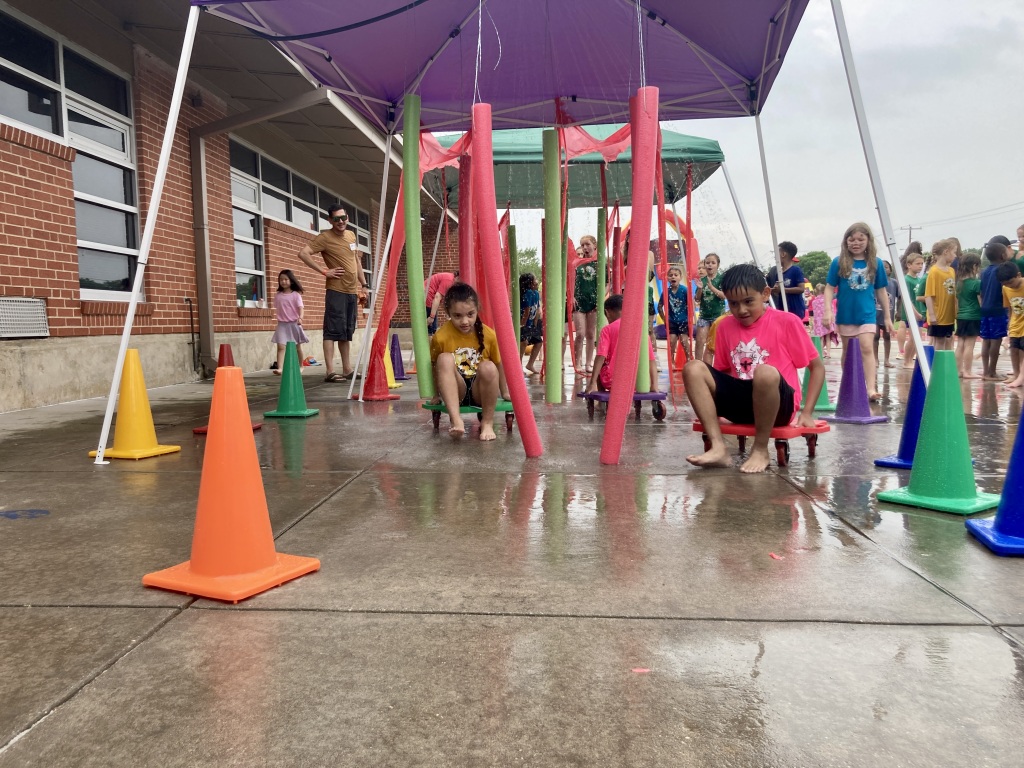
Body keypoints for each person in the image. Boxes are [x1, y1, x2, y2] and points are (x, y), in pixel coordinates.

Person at [683, 264, 823, 474]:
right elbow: (723, 373)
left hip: (778, 406)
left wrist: (807, 412)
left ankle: (760, 449)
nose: (741, 310)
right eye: (733, 303)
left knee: (764, 372)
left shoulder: (787, 322)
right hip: (742, 404)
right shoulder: (724, 326)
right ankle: (718, 447)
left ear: (765, 294)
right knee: (693, 367)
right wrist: (709, 407)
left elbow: (817, 367)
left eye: (749, 301)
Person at [429, 283, 510, 440]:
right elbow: (435, 367)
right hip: (456, 390)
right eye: (457, 316)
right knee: (444, 358)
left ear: (477, 309)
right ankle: (456, 419)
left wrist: (505, 391)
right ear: (448, 313)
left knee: (488, 366)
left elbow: (499, 365)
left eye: (470, 314)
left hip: (480, 392)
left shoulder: (489, 335)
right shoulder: (441, 337)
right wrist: (435, 394)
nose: (465, 321)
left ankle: (487, 423)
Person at [297, 204, 367, 382]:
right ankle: (329, 371)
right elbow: (303, 253)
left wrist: (364, 285)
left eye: (343, 218)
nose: (341, 222)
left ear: (348, 218)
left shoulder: (351, 235)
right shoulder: (325, 238)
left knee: (346, 332)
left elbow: (356, 261)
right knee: (331, 331)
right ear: (330, 220)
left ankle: (347, 369)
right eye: (336, 219)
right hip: (336, 291)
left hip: (351, 291)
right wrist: (324, 271)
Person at [824, 222, 892, 402]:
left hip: (867, 314)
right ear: (846, 241)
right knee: (848, 351)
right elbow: (830, 287)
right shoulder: (838, 262)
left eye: (861, 239)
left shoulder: (875, 263)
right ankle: (849, 385)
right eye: (851, 239)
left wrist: (887, 316)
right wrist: (827, 311)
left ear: (868, 240)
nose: (856, 242)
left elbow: (881, 291)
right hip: (846, 315)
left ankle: (870, 388)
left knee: (867, 347)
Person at [586, 294, 658, 395]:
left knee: (601, 363)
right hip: (637, 382)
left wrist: (592, 382)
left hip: (612, 382)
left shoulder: (607, 330)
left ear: (607, 312)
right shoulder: (640, 329)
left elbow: (601, 355)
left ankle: (601, 401)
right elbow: (651, 360)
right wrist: (654, 385)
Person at [980, 237, 1011, 380]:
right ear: (1002, 255)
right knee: (996, 340)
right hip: (998, 309)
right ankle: (992, 372)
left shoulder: (984, 271)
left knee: (986, 340)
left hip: (985, 309)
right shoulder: (1002, 270)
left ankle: (985, 370)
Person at [269, 269, 309, 375]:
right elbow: (279, 308)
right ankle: (280, 368)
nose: (283, 281)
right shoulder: (278, 295)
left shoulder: (296, 295)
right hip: (282, 324)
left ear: (291, 281)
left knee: (297, 347)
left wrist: (300, 318)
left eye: (286, 279)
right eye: (281, 279)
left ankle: (301, 365)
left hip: (294, 323)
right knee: (281, 347)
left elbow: (301, 308)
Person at [923, 238, 958, 352]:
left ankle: (946, 366)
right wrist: (932, 315)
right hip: (939, 315)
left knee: (948, 340)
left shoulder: (951, 271)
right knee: (939, 341)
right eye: (954, 252)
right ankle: (937, 367)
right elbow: (929, 295)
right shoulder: (934, 272)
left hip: (949, 315)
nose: (955, 255)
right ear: (946, 252)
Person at [572, 235, 599, 374]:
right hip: (579, 302)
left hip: (593, 302)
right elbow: (569, 280)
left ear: (595, 245)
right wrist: (570, 296)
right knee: (580, 333)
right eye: (582, 245)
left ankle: (589, 363)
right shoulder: (577, 263)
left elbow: (607, 283)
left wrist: (601, 298)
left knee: (590, 334)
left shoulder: (600, 262)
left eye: (587, 244)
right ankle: (577, 362)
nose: (584, 248)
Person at [954, 254, 982, 378]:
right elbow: (981, 302)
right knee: (970, 345)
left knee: (960, 344)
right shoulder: (976, 283)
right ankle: (967, 371)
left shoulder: (959, 283)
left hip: (961, 316)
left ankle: (958, 370)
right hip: (973, 316)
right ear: (975, 266)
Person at [695, 253, 726, 362]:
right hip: (704, 316)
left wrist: (711, 287)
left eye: (713, 263)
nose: (710, 265)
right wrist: (699, 289)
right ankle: (698, 364)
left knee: (714, 344)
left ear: (718, 265)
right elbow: (697, 299)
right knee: (699, 341)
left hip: (718, 316)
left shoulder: (721, 279)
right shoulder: (702, 280)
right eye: (707, 263)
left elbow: (724, 296)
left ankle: (717, 366)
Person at [765, 241, 806, 320]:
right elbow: (777, 291)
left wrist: (783, 290)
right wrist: (771, 290)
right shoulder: (779, 274)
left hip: (795, 310)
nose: (775, 257)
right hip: (782, 310)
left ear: (783, 254)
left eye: (777, 253)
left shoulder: (796, 270)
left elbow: (801, 289)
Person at [900, 248, 926, 369]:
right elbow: (907, 299)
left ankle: (910, 359)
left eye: (922, 264)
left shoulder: (919, 280)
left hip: (919, 312)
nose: (920, 266)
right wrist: (915, 313)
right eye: (917, 264)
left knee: (917, 337)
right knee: (914, 337)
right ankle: (907, 360)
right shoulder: (906, 280)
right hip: (911, 313)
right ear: (909, 265)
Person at [1000, 262, 1024, 388]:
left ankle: (1021, 378)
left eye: (1011, 282)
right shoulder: (1006, 288)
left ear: (1019, 275)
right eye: (1005, 284)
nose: (1009, 286)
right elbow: (1009, 307)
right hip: (1015, 322)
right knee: (1014, 349)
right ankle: (1016, 374)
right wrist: (1009, 324)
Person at [661, 265, 689, 363]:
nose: (673, 277)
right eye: (670, 275)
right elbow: (660, 306)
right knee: (672, 341)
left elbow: (690, 305)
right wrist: (664, 318)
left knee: (684, 340)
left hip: (683, 320)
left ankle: (689, 359)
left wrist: (690, 318)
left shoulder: (684, 290)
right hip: (672, 320)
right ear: (667, 278)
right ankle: (671, 361)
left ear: (680, 277)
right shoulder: (666, 292)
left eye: (676, 275)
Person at [874, 261, 898, 368]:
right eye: (882, 267)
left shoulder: (894, 283)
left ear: (890, 270)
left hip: (889, 313)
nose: (884, 269)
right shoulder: (874, 282)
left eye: (886, 267)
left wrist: (899, 311)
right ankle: (875, 360)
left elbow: (900, 297)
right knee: (875, 336)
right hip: (875, 313)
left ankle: (887, 360)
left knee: (887, 336)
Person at [519, 272, 543, 374]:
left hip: (532, 323)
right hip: (524, 323)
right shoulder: (528, 292)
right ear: (530, 283)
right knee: (523, 343)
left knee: (538, 342)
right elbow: (527, 310)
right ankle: (518, 365)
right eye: (535, 280)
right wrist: (522, 324)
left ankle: (530, 364)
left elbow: (537, 309)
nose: (537, 282)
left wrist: (536, 323)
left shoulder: (536, 293)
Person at [425, 270, 459, 335]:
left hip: (429, 295)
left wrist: (449, 315)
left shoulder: (452, 280)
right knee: (431, 326)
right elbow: (437, 297)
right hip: (428, 295)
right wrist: (431, 317)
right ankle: (430, 339)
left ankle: (432, 335)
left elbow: (447, 301)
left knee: (433, 326)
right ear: (458, 277)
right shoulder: (449, 281)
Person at [809, 284, 833, 357]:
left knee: (821, 338)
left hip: (819, 323)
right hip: (827, 321)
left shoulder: (814, 302)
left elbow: (814, 314)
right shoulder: (827, 301)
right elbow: (832, 311)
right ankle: (828, 353)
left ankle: (822, 353)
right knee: (828, 337)